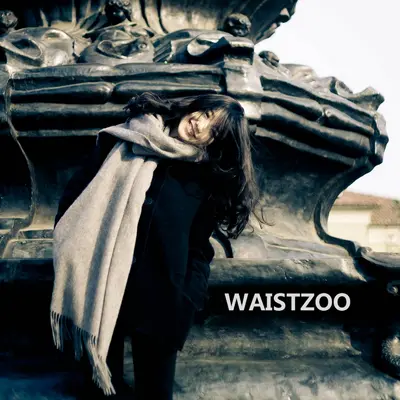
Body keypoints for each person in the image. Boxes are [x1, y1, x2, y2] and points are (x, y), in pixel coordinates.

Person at [52, 92, 263, 399]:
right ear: (194, 106)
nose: (200, 125)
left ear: (214, 142)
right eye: (206, 114)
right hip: (99, 284)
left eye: (214, 130)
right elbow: (74, 200)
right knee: (99, 392)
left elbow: (199, 248)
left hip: (162, 301)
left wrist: (187, 299)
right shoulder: (124, 141)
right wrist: (68, 246)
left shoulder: (203, 178)